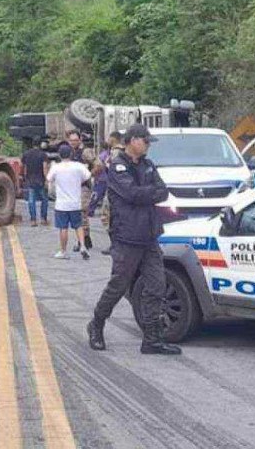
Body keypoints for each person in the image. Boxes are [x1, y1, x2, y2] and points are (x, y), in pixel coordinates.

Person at [87, 124, 181, 356]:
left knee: (157, 287)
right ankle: (96, 324)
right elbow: (132, 194)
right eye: (145, 141)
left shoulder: (148, 165)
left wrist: (146, 194)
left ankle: (152, 339)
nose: (148, 145)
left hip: (149, 236)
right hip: (127, 237)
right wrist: (148, 193)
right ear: (132, 141)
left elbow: (163, 191)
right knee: (118, 286)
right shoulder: (119, 166)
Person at [47, 144, 93, 260]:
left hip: (61, 204)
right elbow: (88, 177)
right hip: (75, 203)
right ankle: (83, 246)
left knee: (63, 228)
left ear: (59, 154)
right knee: (78, 226)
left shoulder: (56, 167)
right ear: (71, 154)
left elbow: (48, 179)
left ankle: (63, 251)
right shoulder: (78, 166)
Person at [90, 131, 123, 256]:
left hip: (114, 188)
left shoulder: (115, 152)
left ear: (113, 139)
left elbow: (112, 169)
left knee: (107, 216)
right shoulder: (120, 151)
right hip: (115, 187)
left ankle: (115, 244)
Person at [64, 130, 95, 250]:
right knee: (77, 214)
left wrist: (87, 176)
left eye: (75, 140)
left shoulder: (85, 152)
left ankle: (84, 240)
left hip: (83, 187)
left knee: (82, 213)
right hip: (73, 188)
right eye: (71, 141)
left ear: (80, 140)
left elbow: (98, 165)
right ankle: (85, 239)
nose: (73, 142)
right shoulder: (69, 153)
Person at [21, 139, 50, 226]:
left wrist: (25, 177)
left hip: (30, 180)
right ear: (40, 144)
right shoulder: (43, 155)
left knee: (31, 200)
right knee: (44, 200)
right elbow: (45, 168)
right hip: (40, 180)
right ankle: (43, 219)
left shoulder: (26, 154)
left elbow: (24, 167)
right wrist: (47, 180)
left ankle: (33, 220)